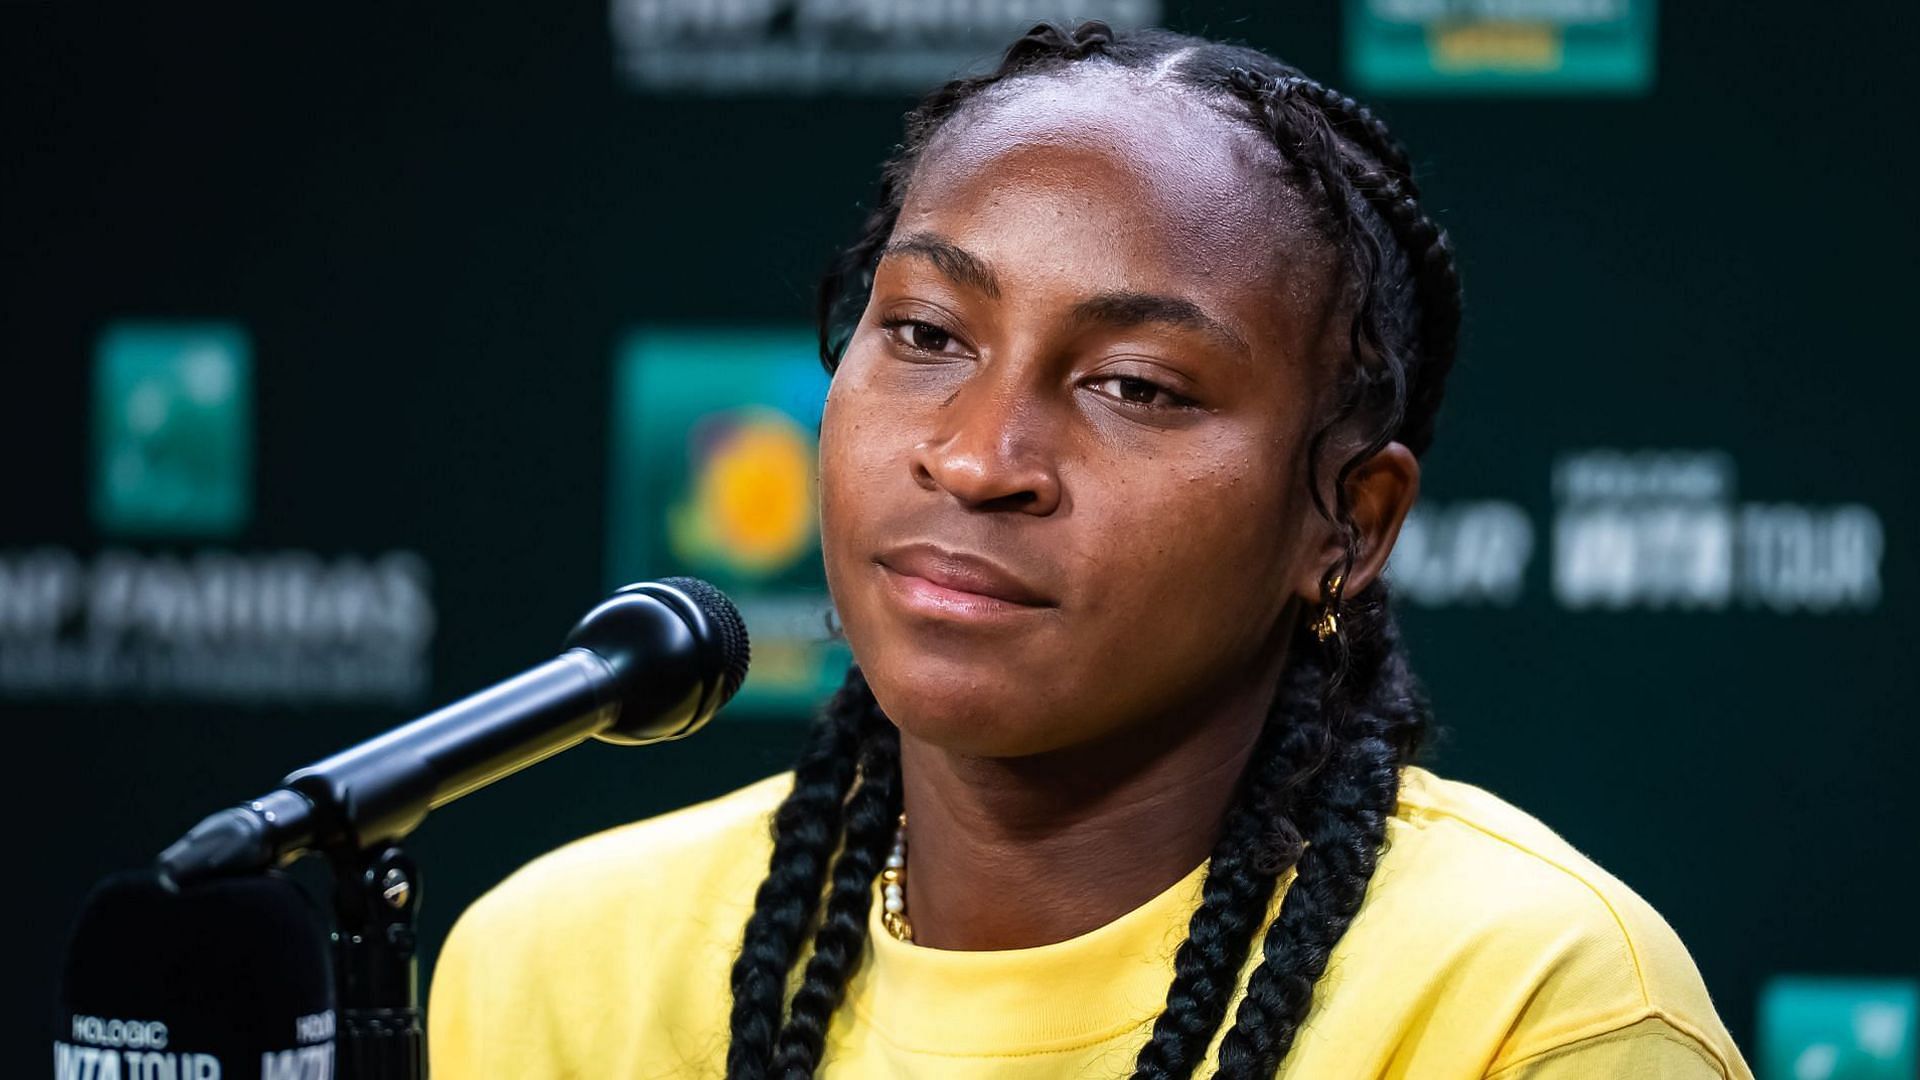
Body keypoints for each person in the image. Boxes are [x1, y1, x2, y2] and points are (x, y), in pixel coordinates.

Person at [427, 21, 1754, 1079]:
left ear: (1349, 524)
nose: (978, 457)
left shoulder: (1531, 1012)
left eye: (1136, 384)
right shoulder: (553, 967)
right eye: (929, 336)